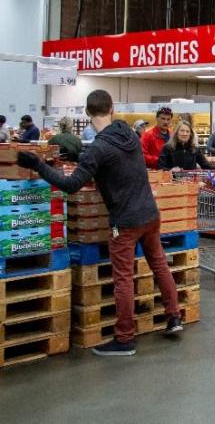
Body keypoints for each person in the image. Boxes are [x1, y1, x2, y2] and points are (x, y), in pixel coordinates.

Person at [15, 90, 183, 356]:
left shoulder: (99, 147)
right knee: (159, 263)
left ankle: (125, 338)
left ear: (87, 113)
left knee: (123, 278)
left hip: (125, 223)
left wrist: (39, 165)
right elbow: (116, 165)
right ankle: (174, 317)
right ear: (112, 108)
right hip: (150, 214)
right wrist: (83, 161)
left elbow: (71, 185)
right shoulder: (129, 134)